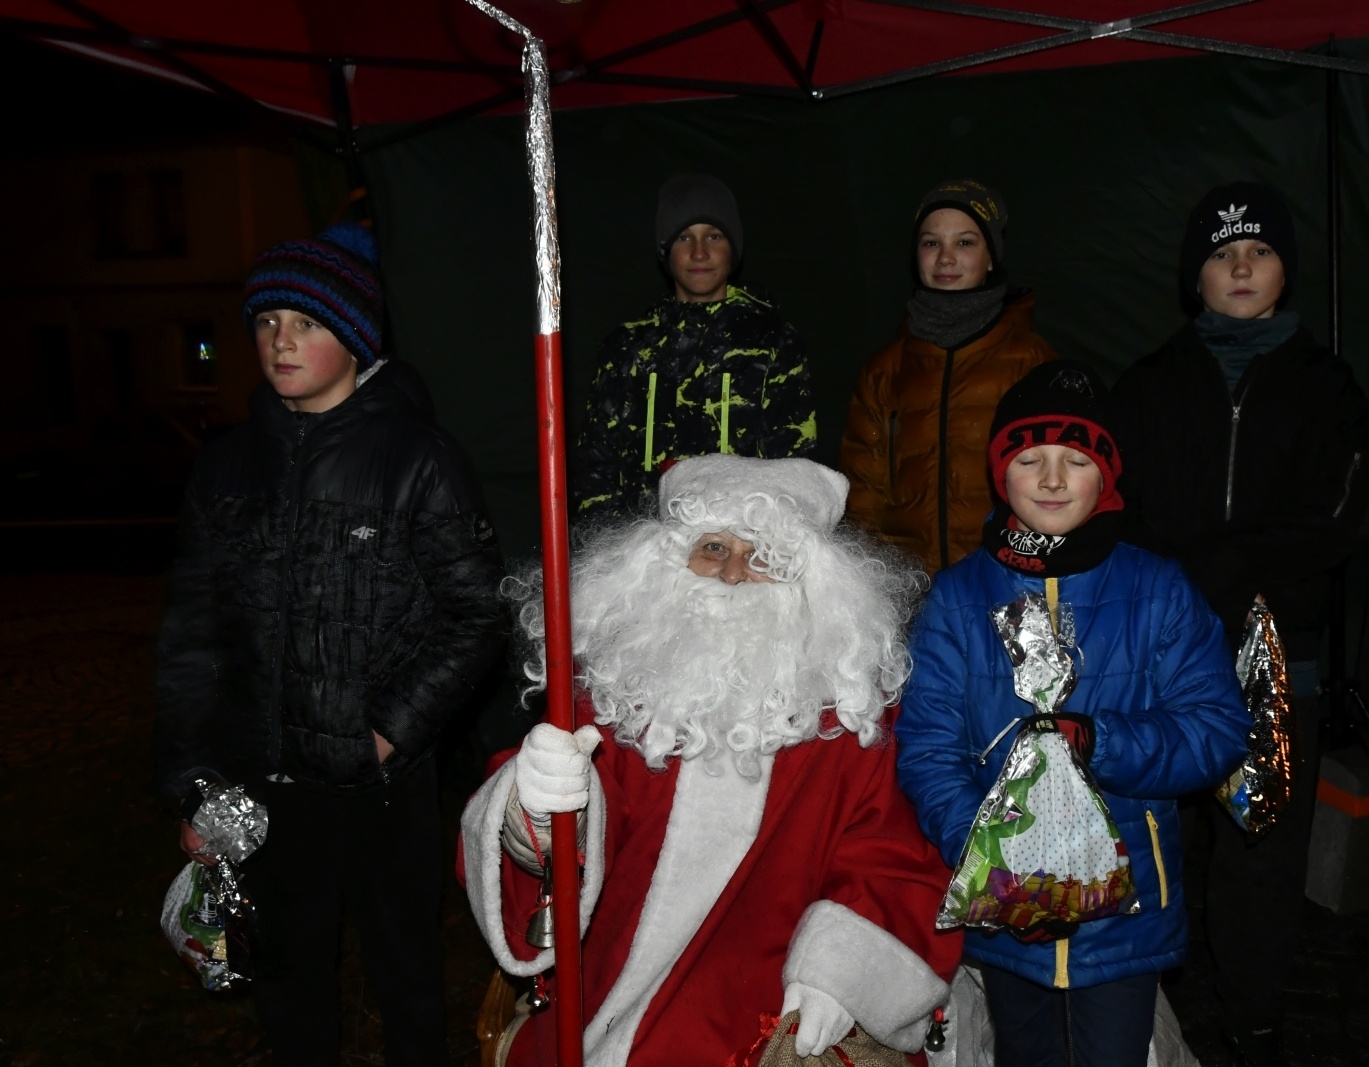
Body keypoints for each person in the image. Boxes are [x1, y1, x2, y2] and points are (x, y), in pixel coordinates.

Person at [461, 454, 962, 1066]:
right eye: (714, 548)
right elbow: (565, 843)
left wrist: (840, 975)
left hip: (775, 990)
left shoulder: (851, 721)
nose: (733, 575)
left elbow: (894, 860)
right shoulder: (617, 699)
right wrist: (534, 813)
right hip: (611, 982)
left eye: (765, 556)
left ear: (813, 581)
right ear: (665, 568)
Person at [153, 223, 507, 1067]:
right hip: (259, 788)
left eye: (305, 322)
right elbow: (191, 637)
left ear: (353, 334)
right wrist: (194, 785)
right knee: (287, 993)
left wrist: (389, 729)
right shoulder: (226, 468)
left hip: (380, 788)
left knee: (408, 986)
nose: (282, 341)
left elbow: (478, 612)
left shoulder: (420, 460)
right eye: (268, 321)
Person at [895, 362, 1250, 1067]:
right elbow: (927, 745)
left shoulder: (1158, 590)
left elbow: (1216, 726)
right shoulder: (958, 598)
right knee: (1022, 1052)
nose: (1053, 480)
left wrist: (1104, 739)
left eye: (1076, 460)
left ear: (1107, 476)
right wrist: (994, 846)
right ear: (1002, 472)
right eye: (1030, 459)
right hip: (1005, 912)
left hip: (1127, 909)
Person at [1108, 182, 1369, 1067]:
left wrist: (1221, 568)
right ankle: (1156, 995)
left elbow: (1331, 519)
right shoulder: (1147, 384)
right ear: (1197, 276)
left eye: (1258, 251)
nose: (1242, 268)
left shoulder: (1327, 385)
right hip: (1166, 652)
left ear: (1284, 267)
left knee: (1259, 841)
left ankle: (1254, 1014)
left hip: (1276, 652)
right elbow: (1118, 512)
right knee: (1162, 828)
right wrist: (1180, 590)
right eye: (1223, 255)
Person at [840, 179, 1057, 573]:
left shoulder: (1033, 361)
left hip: (1004, 583)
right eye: (931, 243)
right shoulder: (884, 371)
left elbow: (1056, 487)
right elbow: (861, 499)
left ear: (991, 256)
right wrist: (867, 584)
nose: (945, 258)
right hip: (907, 593)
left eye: (965, 242)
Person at [571, 173, 817, 518]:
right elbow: (595, 465)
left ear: (733, 248)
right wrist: (611, 552)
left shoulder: (773, 342)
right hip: (638, 552)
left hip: (738, 548)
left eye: (713, 236)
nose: (699, 252)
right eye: (685, 237)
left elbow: (794, 469)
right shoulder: (627, 347)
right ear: (665, 251)